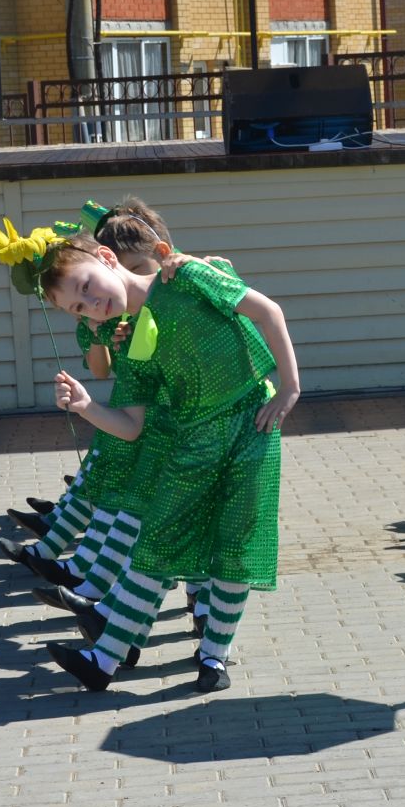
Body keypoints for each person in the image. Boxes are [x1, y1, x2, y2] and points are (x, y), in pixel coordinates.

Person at [43, 225, 300, 694]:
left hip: (252, 425)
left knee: (237, 542)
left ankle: (214, 657)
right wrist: (85, 405)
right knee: (158, 540)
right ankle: (102, 661)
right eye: (78, 307)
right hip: (194, 441)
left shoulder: (183, 277)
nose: (90, 304)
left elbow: (268, 311)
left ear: (106, 257)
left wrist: (289, 386)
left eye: (86, 287)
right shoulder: (129, 341)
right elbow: (131, 425)